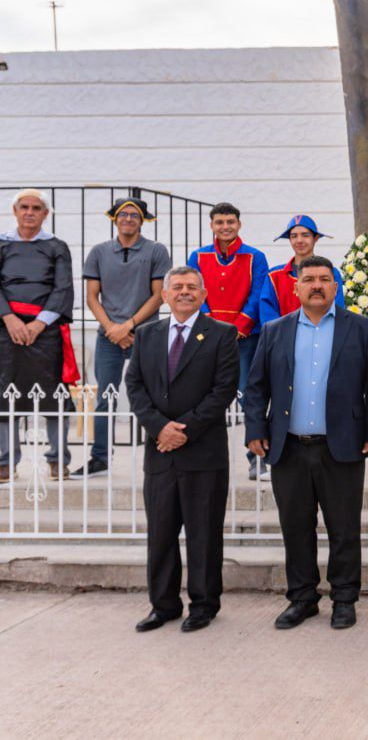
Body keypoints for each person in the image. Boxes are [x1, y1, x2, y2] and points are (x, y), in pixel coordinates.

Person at [243, 256, 368, 631]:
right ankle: (302, 598)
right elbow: (256, 387)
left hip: (341, 446)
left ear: (335, 287)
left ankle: (344, 599)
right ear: (296, 287)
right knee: (295, 527)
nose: (317, 285)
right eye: (308, 279)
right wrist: (255, 429)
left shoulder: (360, 328)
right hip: (288, 448)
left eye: (325, 279)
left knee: (344, 528)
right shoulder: (275, 330)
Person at [125, 266, 239, 633]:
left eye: (192, 287)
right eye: (177, 287)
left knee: (203, 535)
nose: (184, 292)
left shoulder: (222, 334)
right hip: (160, 451)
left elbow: (223, 390)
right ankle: (163, 605)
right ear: (165, 295)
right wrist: (160, 427)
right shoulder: (146, 335)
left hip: (203, 453)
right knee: (160, 534)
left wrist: (183, 431)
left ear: (204, 294)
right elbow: (134, 385)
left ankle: (203, 606)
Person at [77, 197, 171, 476]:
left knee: (155, 395)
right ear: (115, 219)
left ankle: (160, 452)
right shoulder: (99, 252)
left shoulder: (156, 250)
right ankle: (100, 458)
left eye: (134, 215)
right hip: (108, 336)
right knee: (105, 396)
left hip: (146, 335)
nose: (128, 219)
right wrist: (112, 329)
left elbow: (159, 296)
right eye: (123, 214)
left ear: (142, 220)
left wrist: (128, 326)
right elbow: (92, 297)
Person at [186, 202, 270, 479]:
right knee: (202, 396)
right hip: (207, 338)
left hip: (245, 339)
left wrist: (239, 327)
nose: (225, 227)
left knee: (248, 396)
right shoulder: (198, 257)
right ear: (212, 225)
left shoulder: (255, 257)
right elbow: (194, 293)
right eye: (220, 222)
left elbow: (257, 295)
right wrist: (213, 328)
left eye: (230, 222)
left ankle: (257, 458)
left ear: (239, 224)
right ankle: (200, 456)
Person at [0, 189, 76, 483]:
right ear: (15, 211)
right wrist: (9, 318)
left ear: (45, 214)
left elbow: (63, 288)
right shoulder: (2, 244)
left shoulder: (57, 247)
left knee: (54, 396)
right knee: (5, 395)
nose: (29, 212)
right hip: (5, 330)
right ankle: (5, 461)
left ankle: (57, 460)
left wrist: (38, 324)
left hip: (45, 333)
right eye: (24, 207)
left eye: (36, 208)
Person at [257, 214, 345, 324]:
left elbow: (337, 310)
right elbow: (267, 314)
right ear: (290, 239)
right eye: (294, 236)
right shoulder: (274, 276)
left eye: (305, 235)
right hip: (283, 334)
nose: (299, 240)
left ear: (315, 238)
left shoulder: (331, 273)